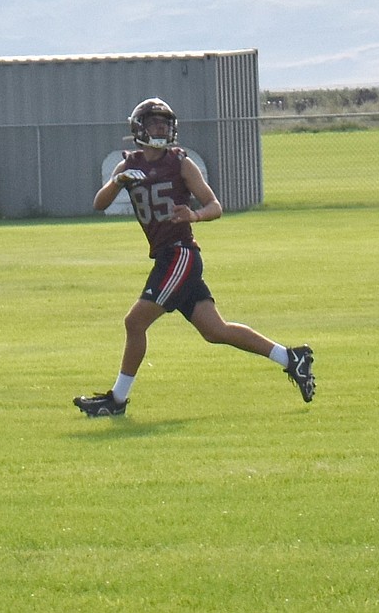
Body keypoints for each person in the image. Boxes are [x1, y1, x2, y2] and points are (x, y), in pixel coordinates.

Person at [73, 97, 315, 417]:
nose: (161, 128)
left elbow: (214, 205)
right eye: (154, 123)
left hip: (180, 255)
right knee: (215, 331)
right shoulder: (128, 165)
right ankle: (291, 358)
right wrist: (118, 181)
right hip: (168, 257)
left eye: (164, 123)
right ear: (139, 128)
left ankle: (116, 400)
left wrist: (194, 216)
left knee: (134, 322)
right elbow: (99, 204)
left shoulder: (180, 163)